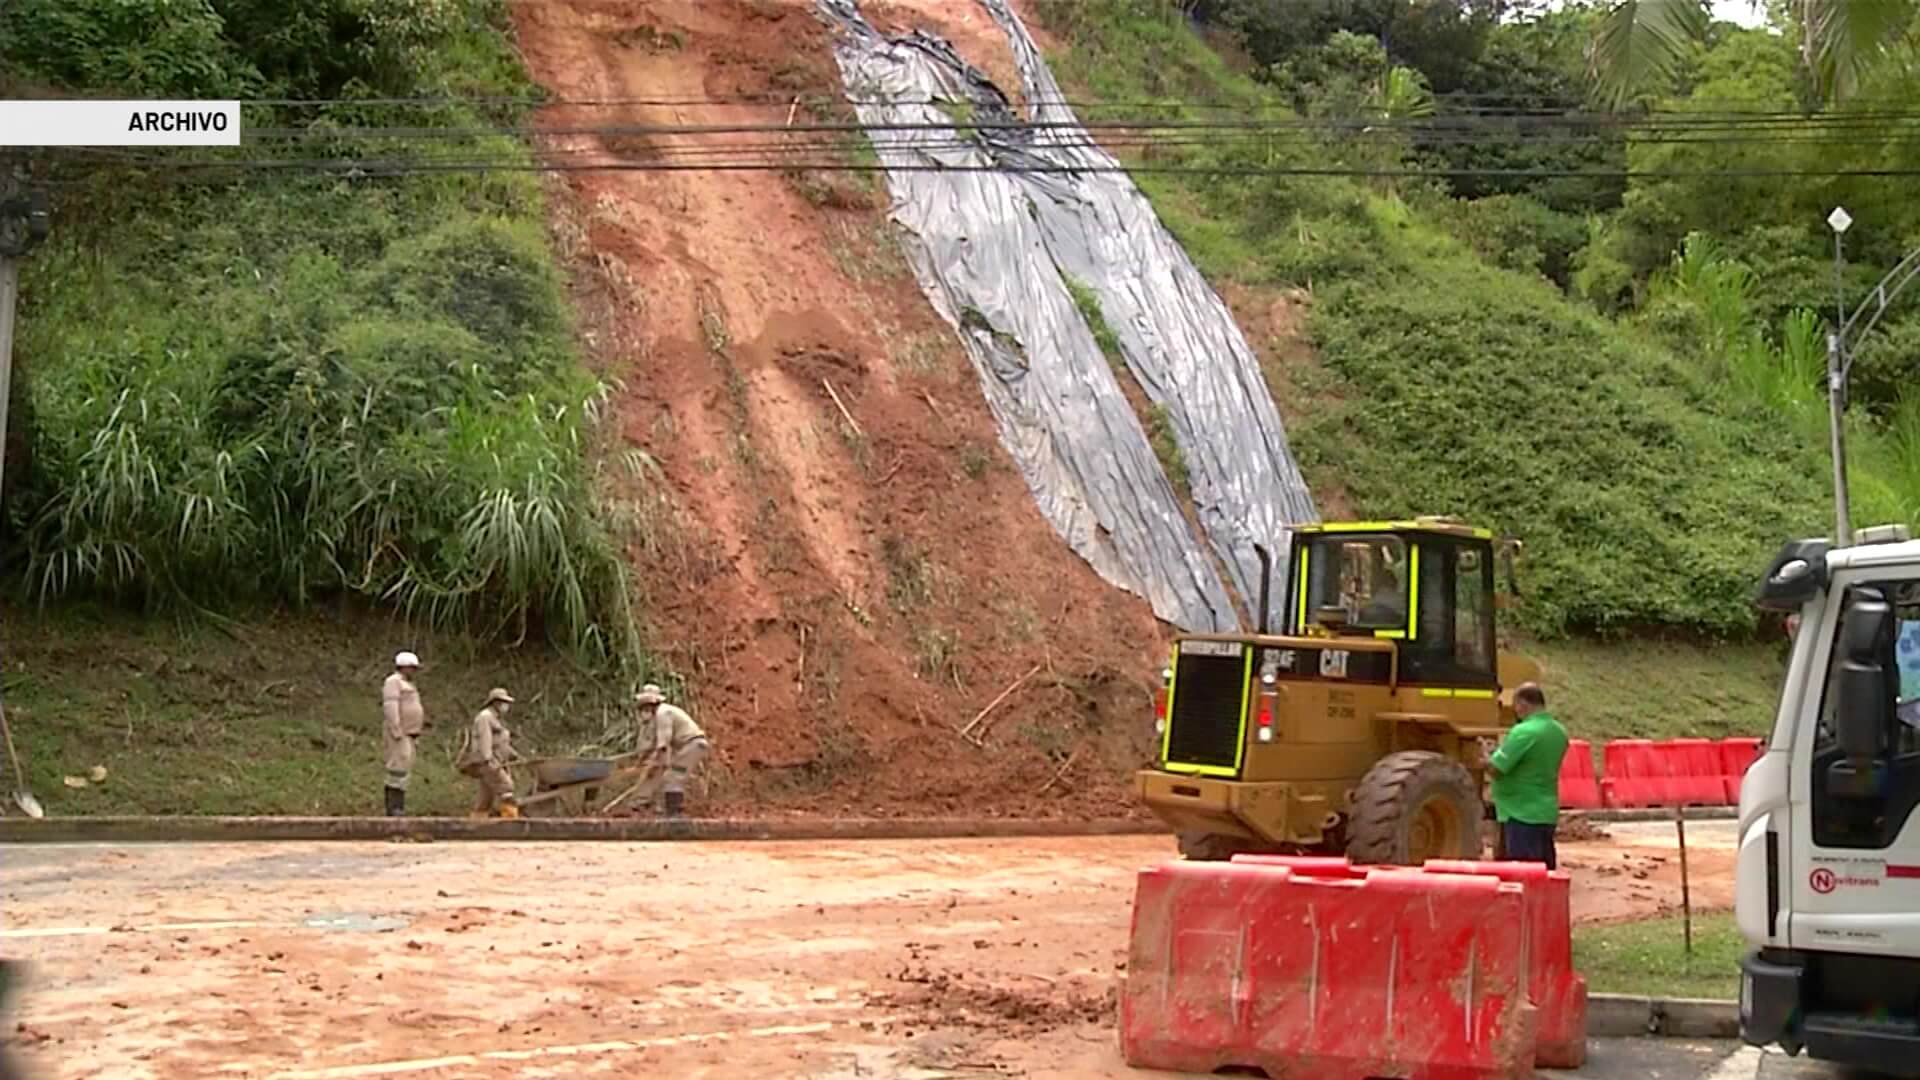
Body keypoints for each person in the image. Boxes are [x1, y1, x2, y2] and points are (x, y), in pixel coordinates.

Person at [1486, 682, 1569, 869]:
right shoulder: (1559, 732)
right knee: (1544, 873)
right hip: (1545, 812)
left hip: (1520, 813)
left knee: (1522, 873)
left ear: (1522, 704)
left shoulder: (1524, 732)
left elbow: (1497, 768)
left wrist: (1485, 758)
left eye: (1515, 705)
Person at [635, 684, 709, 818]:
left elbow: (662, 745)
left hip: (692, 744)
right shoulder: (656, 718)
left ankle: (675, 814)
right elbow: (650, 745)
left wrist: (653, 761)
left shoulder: (663, 714)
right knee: (667, 774)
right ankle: (664, 809)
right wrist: (641, 761)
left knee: (673, 776)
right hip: (686, 746)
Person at [459, 688, 521, 819]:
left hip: (496, 759)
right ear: (496, 703)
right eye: (504, 702)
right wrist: (488, 760)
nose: (506, 706)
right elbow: (484, 739)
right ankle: (510, 821)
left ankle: (477, 822)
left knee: (485, 796)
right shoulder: (485, 717)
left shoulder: (495, 719)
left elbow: (500, 741)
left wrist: (513, 754)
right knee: (506, 786)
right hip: (487, 760)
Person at [380, 652, 428, 817]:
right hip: (400, 733)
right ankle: (393, 807)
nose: (414, 672)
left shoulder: (408, 684)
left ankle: (399, 805)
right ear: (404, 666)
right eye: (412, 668)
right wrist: (396, 729)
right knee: (397, 768)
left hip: (410, 733)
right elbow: (390, 706)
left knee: (405, 768)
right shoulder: (393, 682)